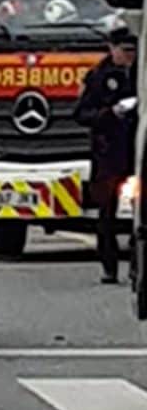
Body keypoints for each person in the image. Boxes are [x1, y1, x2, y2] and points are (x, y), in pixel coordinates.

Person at [74, 26, 138, 284]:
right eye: (125, 51)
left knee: (140, 213)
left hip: (137, 149)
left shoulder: (141, 73)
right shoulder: (99, 77)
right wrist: (111, 113)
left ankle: (137, 264)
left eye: (134, 51)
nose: (130, 56)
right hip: (108, 152)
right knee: (107, 213)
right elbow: (81, 114)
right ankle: (109, 266)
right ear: (112, 49)